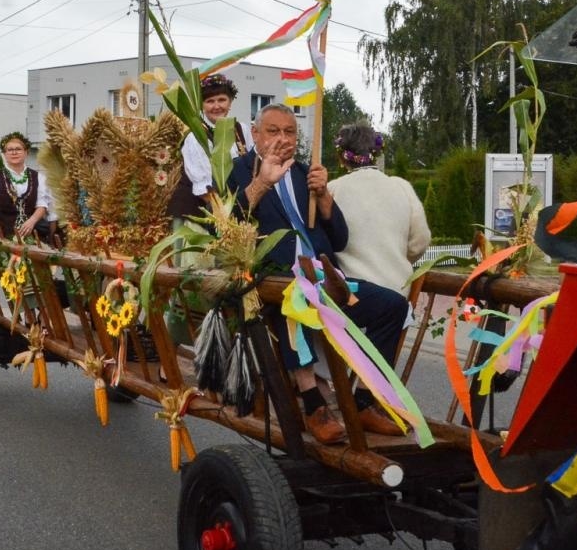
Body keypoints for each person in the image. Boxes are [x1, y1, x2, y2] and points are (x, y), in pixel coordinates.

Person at [229, 103, 409, 445]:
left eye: (290, 131)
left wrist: (324, 195)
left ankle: (364, 402)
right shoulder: (239, 170)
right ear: (255, 134)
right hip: (276, 280)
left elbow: (339, 238)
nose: (283, 138)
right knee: (294, 294)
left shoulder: (303, 172)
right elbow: (229, 226)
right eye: (273, 131)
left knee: (393, 306)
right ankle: (314, 404)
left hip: (326, 277)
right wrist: (261, 184)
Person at [326, 123, 430, 296]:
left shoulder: (332, 190)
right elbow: (420, 241)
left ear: (342, 157)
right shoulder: (401, 187)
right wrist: (396, 259)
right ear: (377, 152)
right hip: (397, 292)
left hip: (350, 295)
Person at [168, 73, 249, 219]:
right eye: (210, 101)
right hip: (201, 213)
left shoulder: (241, 129)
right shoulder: (196, 137)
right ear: (202, 106)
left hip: (233, 208)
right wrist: (227, 220)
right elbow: (205, 191)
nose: (216, 106)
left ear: (230, 102)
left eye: (222, 100)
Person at [0, 131, 51, 240]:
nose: (14, 153)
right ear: (4, 154)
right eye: (10, 150)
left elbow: (42, 205)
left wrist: (32, 221)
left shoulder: (38, 178)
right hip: (2, 238)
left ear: (26, 152)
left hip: (32, 237)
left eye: (18, 149)